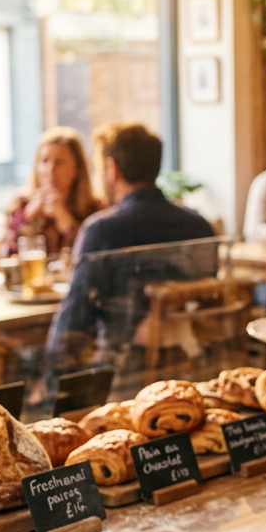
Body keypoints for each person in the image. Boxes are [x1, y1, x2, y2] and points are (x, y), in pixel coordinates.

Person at [39, 122, 215, 406]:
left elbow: (75, 318)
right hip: (193, 366)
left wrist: (46, 382)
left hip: (122, 379)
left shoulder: (103, 230)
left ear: (112, 169)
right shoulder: (199, 226)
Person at [1, 126, 103, 257]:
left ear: (78, 168)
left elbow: (95, 256)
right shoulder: (21, 203)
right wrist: (27, 219)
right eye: (44, 161)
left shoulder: (93, 208)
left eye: (59, 162)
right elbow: (5, 256)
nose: (50, 169)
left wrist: (66, 221)